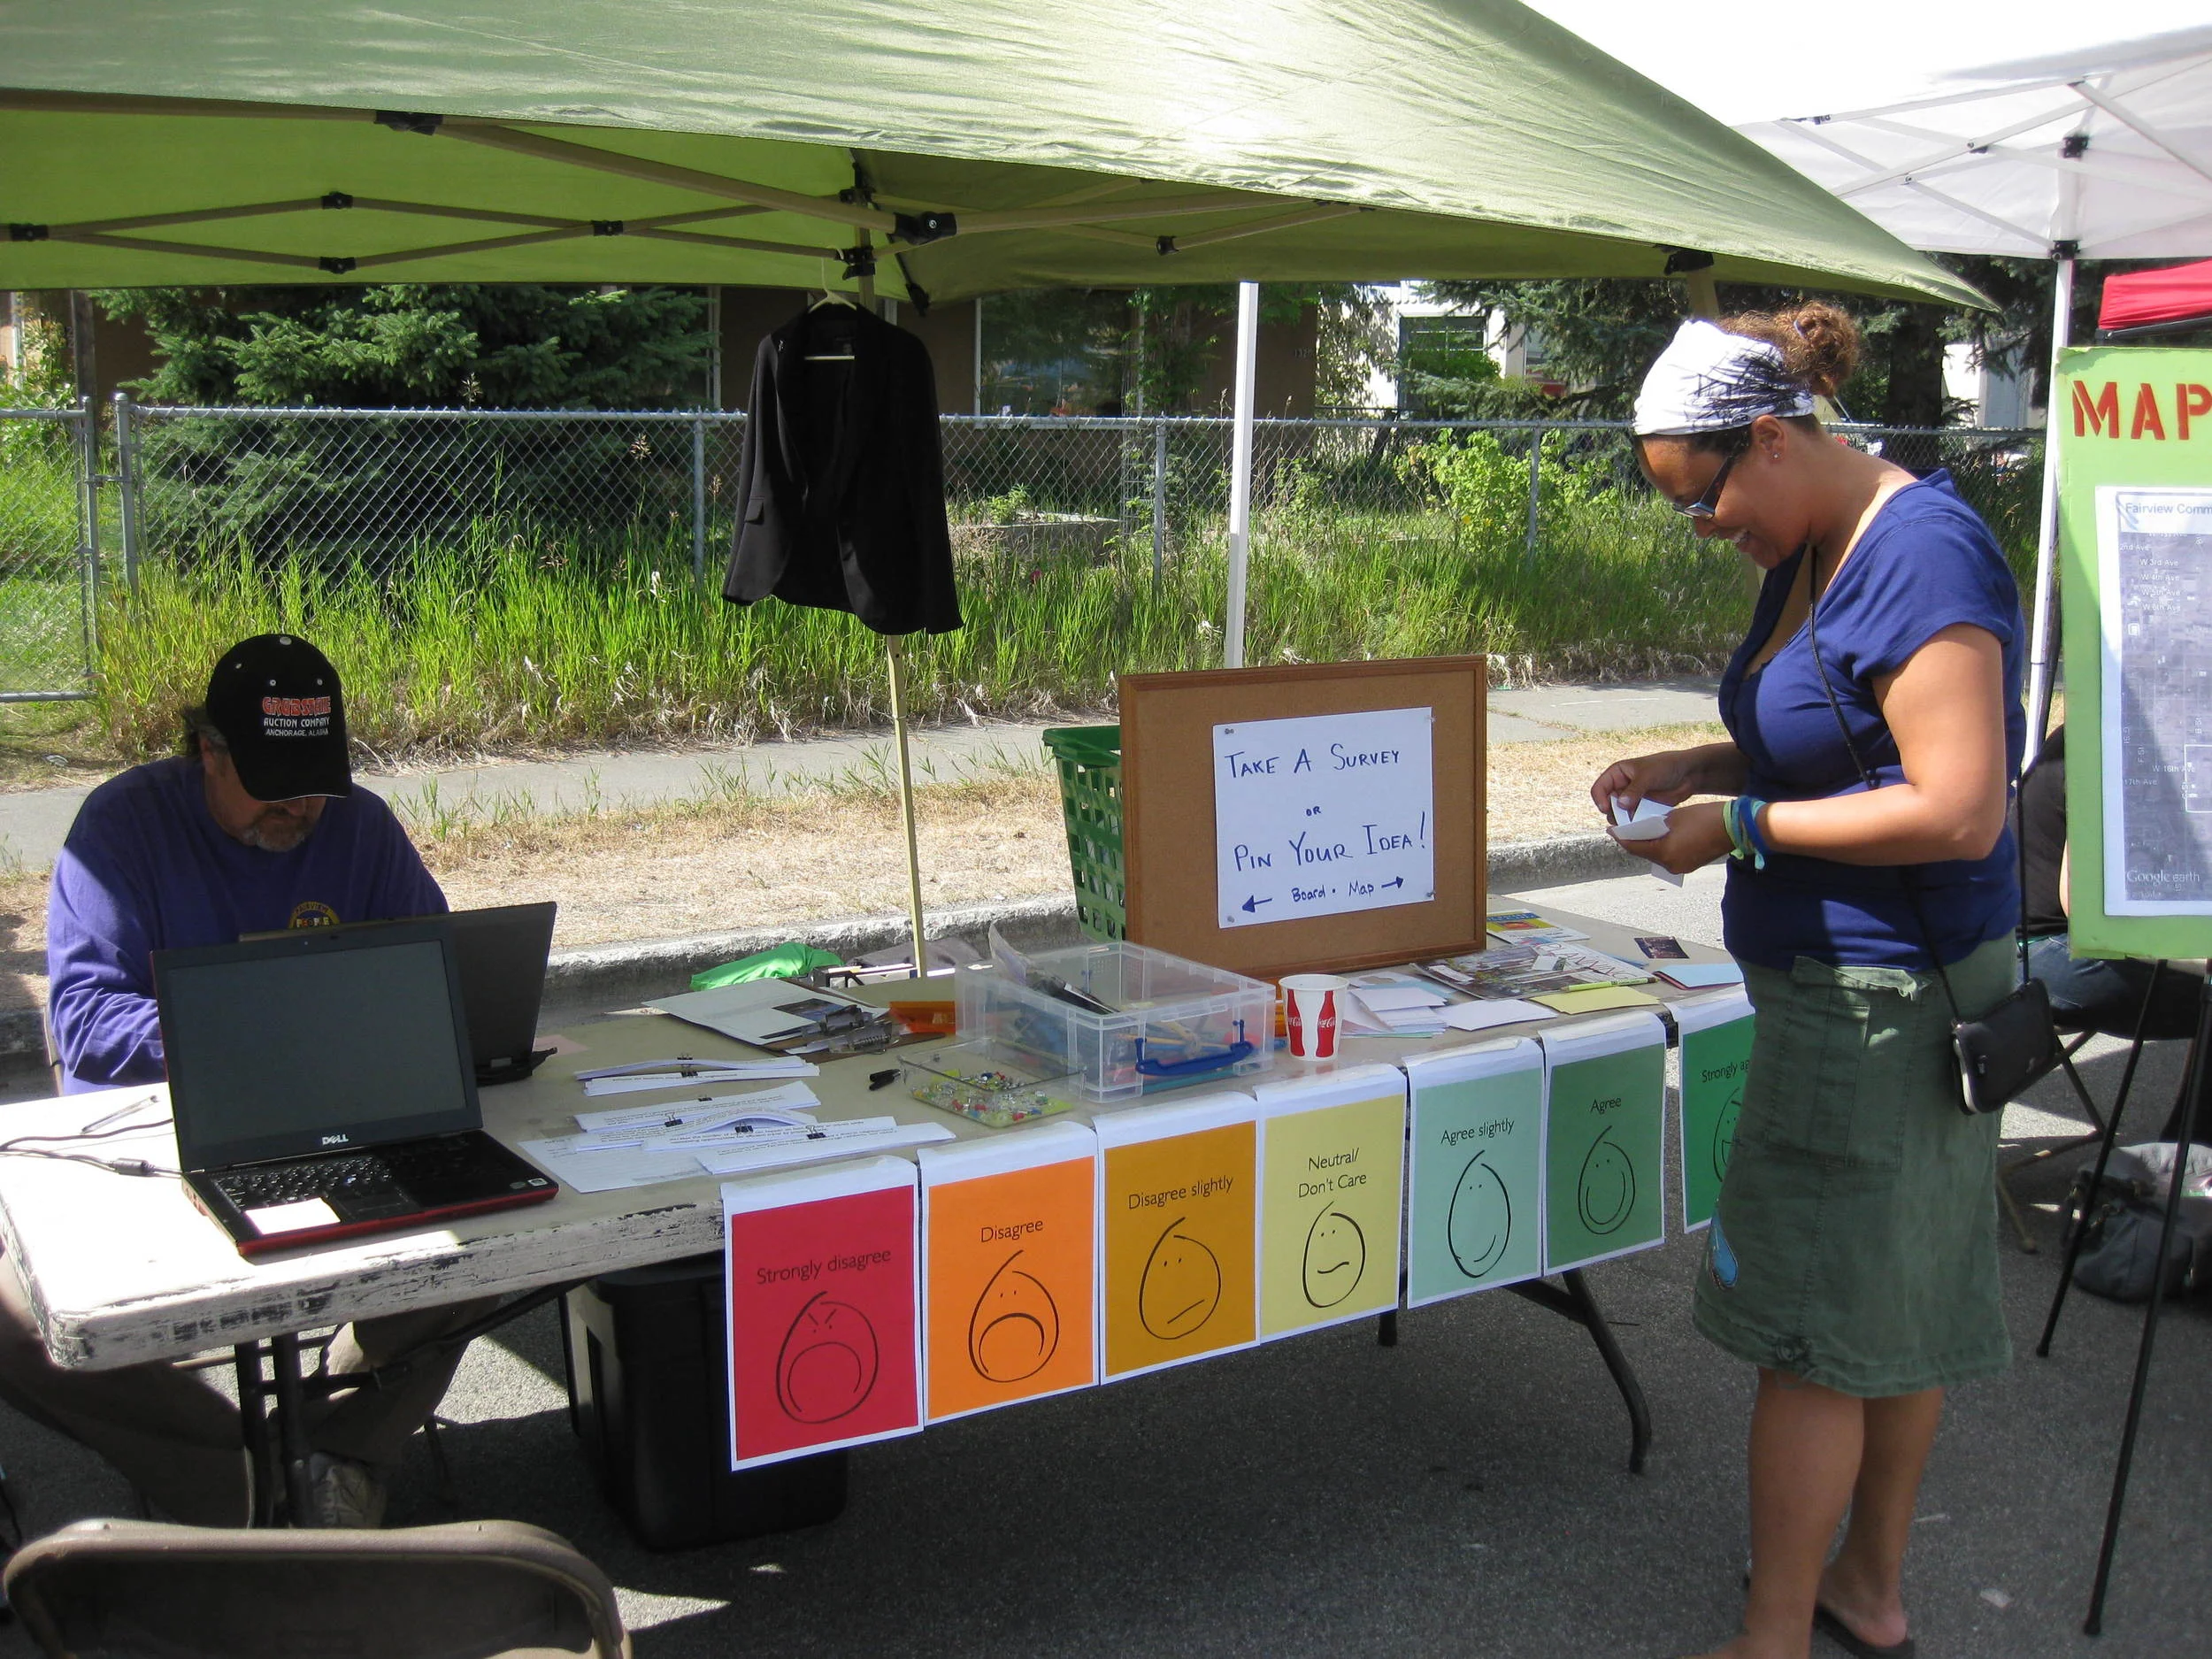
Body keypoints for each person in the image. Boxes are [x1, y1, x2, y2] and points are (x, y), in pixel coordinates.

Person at [1593, 309, 2023, 1659]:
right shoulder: (1816, 540)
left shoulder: (1921, 551)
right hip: (1869, 984)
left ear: (1771, 438)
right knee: (1891, 1304)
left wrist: (1740, 825)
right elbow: (1836, 737)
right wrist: (1698, 765)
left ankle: (1773, 1633)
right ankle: (1866, 1586)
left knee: (1811, 1330)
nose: (1704, 527)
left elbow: (1958, 805)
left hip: (1879, 997)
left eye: (1704, 497)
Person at [12, 633, 479, 1526]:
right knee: (19, 1317)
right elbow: (88, 1024)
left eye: (315, 783)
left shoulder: (360, 825)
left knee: (499, 1228)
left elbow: (435, 973)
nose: (299, 806)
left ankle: (341, 1446)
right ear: (209, 752)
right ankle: (231, 1478)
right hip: (160, 1132)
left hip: (338, 1118)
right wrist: (265, 1037)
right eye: (274, 782)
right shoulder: (121, 829)